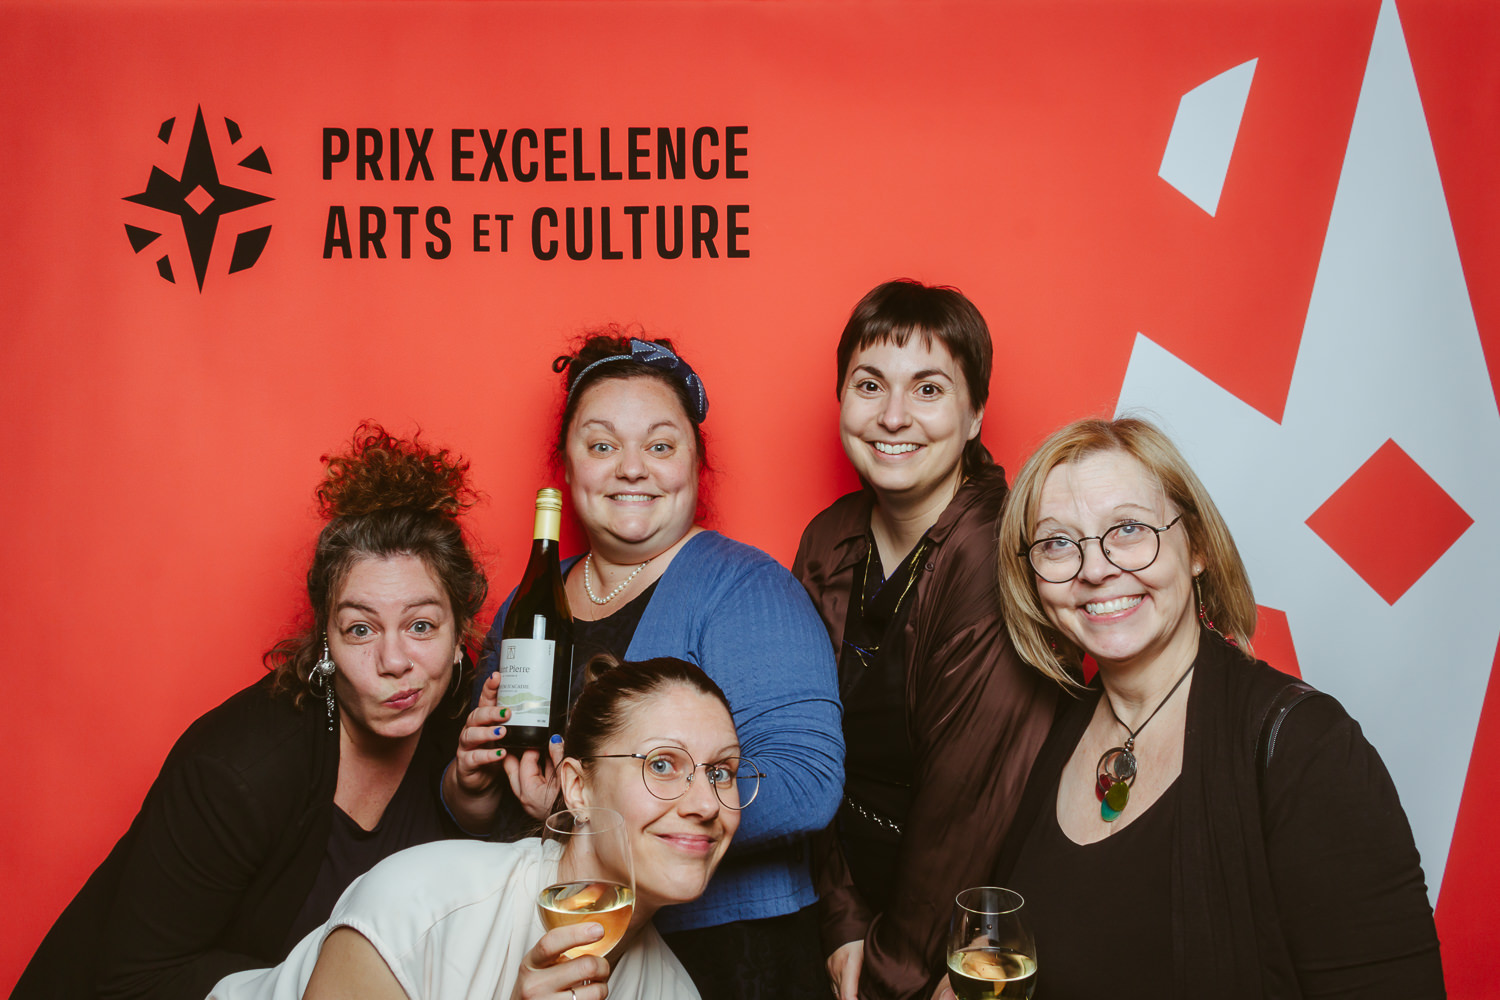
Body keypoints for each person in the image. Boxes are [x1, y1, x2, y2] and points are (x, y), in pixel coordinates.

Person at [966, 416, 1444, 999]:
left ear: (1196, 547)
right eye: (1058, 543)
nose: (1095, 569)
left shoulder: (1308, 749)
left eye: (1129, 529)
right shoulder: (1054, 724)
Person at [15, 423, 492, 1000]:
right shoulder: (236, 772)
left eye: (420, 625)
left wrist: (486, 809)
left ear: (459, 633)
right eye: (360, 630)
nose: (395, 661)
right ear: (325, 642)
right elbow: (134, 982)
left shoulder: (458, 725)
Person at [448, 330, 844, 1000]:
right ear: (567, 466)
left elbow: (809, 783)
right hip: (571, 944)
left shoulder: (747, 589)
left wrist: (590, 814)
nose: (632, 469)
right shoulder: (530, 600)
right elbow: (481, 805)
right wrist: (470, 780)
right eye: (602, 445)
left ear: (696, 465)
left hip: (727, 956)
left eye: (660, 446)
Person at [793, 279, 1057, 1000]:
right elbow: (797, 743)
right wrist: (841, 920)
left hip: (967, 931)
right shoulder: (827, 537)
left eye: (929, 389)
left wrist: (886, 974)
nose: (893, 416)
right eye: (869, 385)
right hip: (843, 901)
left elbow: (966, 813)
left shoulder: (999, 555)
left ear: (975, 414)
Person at [209, 656, 746, 1000]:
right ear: (578, 788)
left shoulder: (673, 991)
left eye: (722, 772)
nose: (706, 803)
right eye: (661, 764)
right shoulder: (422, 903)